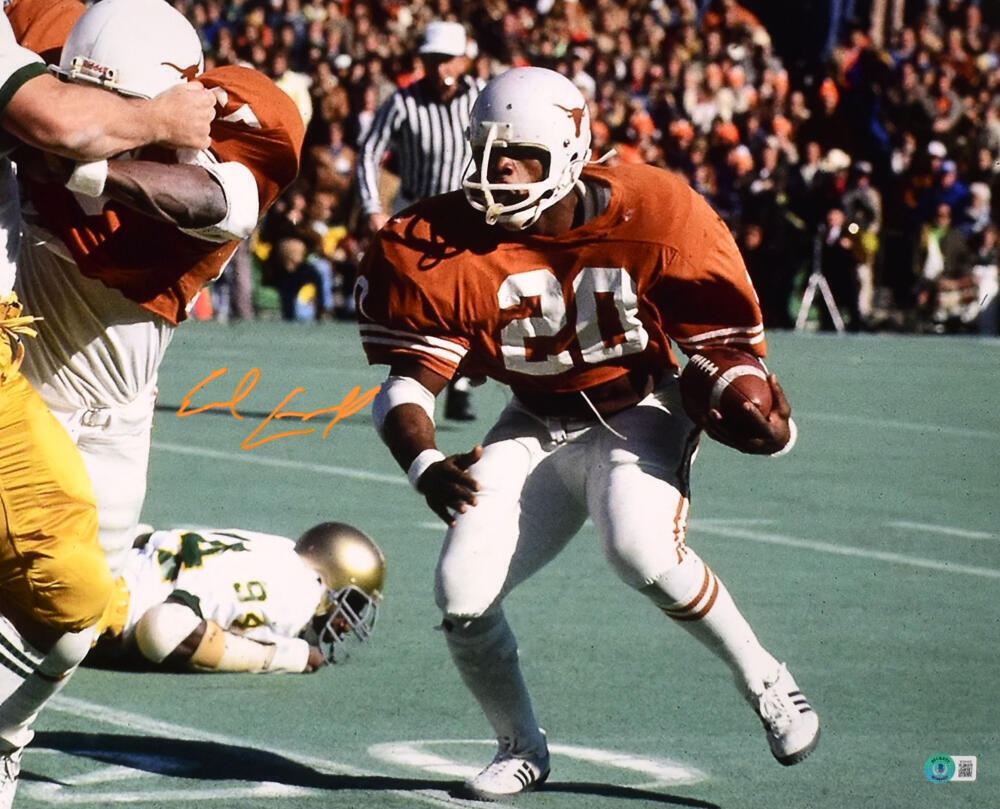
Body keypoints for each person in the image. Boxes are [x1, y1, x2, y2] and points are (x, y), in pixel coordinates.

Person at [357, 67, 820, 801]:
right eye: (488, 151)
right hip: (533, 421)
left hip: (639, 407)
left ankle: (767, 679)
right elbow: (404, 389)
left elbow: (726, 351)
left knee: (639, 547)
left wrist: (754, 407)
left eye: (522, 156)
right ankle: (519, 745)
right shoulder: (437, 243)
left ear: (570, 154)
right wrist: (422, 461)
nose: (497, 169)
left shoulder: (658, 210)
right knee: (461, 592)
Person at [2, 0, 304, 790]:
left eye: (130, 109)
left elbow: (215, 203)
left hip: (112, 420)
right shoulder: (50, 28)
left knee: (73, 629)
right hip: (18, 385)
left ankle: (7, 737)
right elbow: (56, 104)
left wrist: (87, 163)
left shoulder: (243, 119)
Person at [356, 20, 483, 422]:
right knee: (426, 306)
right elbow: (368, 152)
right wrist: (373, 206)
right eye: (432, 59)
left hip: (469, 215)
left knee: (468, 303)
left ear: (463, 61)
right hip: (419, 219)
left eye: (447, 59)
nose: (439, 67)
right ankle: (424, 376)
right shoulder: (403, 101)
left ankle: (461, 380)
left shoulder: (480, 98)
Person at [89, 523, 386, 674]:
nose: (348, 623)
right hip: (100, 605)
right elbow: (163, 630)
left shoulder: (279, 548)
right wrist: (279, 657)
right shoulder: (300, 595)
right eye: (352, 604)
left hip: (101, 558)